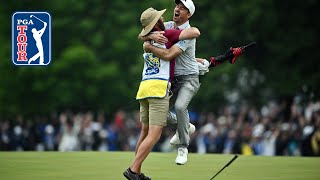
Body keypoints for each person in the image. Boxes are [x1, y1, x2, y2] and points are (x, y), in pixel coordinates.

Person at [123, 7, 200, 180]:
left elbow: (141, 37)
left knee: (145, 131)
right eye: (160, 17)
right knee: (155, 134)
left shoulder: (147, 41)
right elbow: (194, 32)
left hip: (144, 88)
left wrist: (148, 38)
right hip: (158, 89)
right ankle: (133, 171)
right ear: (157, 22)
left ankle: (138, 171)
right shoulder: (168, 34)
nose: (163, 17)